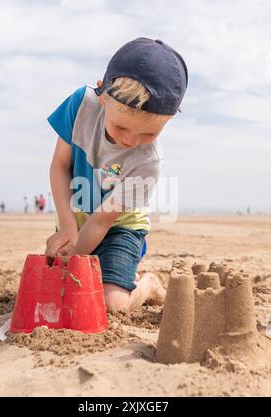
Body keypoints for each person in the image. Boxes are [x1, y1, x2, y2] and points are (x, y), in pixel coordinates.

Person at [45, 37, 188, 312]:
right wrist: (66, 226)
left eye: (149, 133)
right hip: (75, 218)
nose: (131, 141)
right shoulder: (81, 105)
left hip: (120, 226)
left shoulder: (149, 162)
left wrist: (74, 258)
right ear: (102, 95)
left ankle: (147, 284)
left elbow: (101, 222)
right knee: (64, 286)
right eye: (121, 127)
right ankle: (113, 273)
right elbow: (60, 166)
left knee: (113, 305)